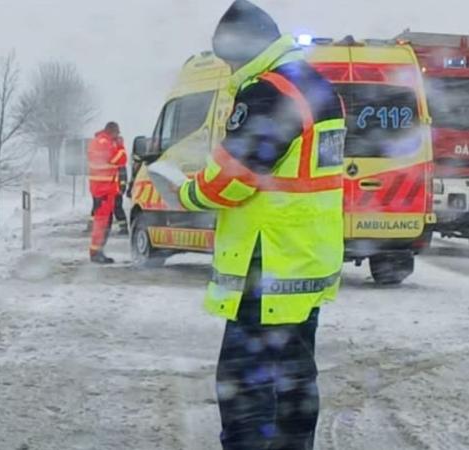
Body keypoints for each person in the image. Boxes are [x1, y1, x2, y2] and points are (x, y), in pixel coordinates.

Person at [173, 1, 346, 448]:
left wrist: (187, 191)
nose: (228, 66)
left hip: (267, 264)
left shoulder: (270, 90)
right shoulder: (315, 84)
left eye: (228, 56)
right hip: (304, 260)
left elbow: (234, 176)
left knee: (245, 390)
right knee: (294, 381)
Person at [87, 121, 127, 263]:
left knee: (104, 222)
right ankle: (96, 252)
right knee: (102, 222)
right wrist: (121, 146)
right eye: (117, 134)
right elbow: (120, 159)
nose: (118, 137)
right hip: (103, 189)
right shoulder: (105, 143)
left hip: (102, 188)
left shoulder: (98, 141)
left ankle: (98, 251)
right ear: (112, 131)